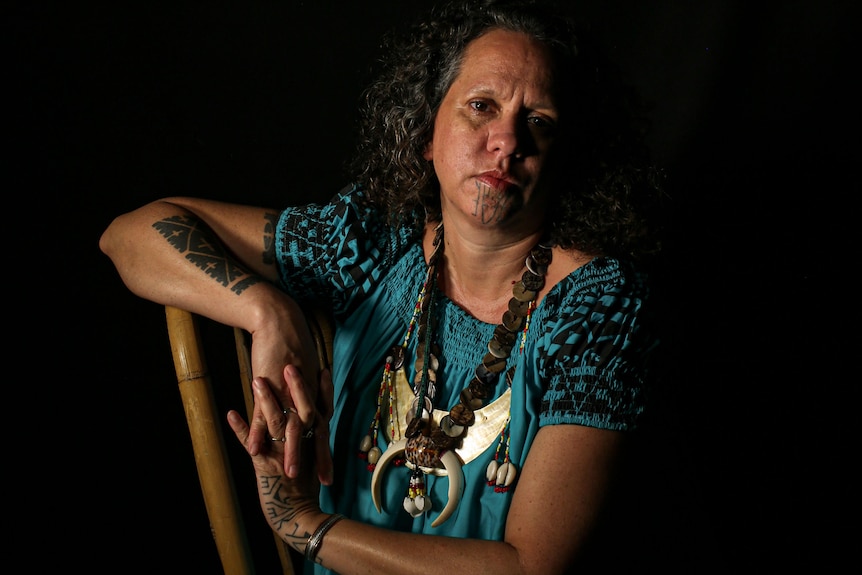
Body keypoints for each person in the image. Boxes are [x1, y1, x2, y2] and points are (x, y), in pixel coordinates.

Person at [100, 0, 666, 572]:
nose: (506, 140)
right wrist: (269, 312)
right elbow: (130, 235)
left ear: (565, 158)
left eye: (538, 122)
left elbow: (528, 567)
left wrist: (306, 526)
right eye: (480, 106)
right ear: (426, 131)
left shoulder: (599, 307)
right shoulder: (375, 243)